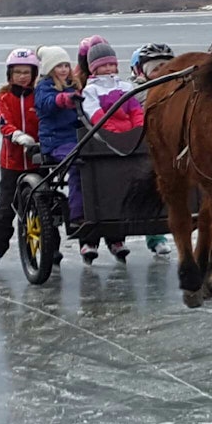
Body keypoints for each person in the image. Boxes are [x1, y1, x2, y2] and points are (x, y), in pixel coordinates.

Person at [33, 45, 99, 262]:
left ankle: (98, 211)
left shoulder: (74, 85)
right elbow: (46, 103)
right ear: (49, 69)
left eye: (64, 65)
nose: (62, 69)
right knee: (77, 164)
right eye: (58, 66)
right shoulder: (44, 86)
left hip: (76, 137)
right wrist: (63, 100)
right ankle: (77, 215)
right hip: (55, 141)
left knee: (98, 161)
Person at [77, 40, 135, 262]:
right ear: (93, 68)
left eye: (112, 65)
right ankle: (89, 240)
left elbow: (136, 108)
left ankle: (116, 239)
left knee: (119, 191)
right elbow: (93, 113)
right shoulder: (90, 90)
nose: (109, 69)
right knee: (95, 190)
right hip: (99, 141)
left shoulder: (126, 87)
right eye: (104, 66)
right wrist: (109, 130)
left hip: (127, 141)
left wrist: (134, 129)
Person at [0, 48, 41, 267]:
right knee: (6, 207)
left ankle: (48, 249)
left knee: (41, 208)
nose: (22, 76)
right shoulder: (4, 97)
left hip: (38, 159)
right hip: (12, 162)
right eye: (17, 72)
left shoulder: (39, 96)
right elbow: (3, 123)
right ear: (10, 74)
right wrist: (17, 135)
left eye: (26, 72)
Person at [131, 43, 177, 256]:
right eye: (155, 68)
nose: (162, 72)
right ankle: (155, 236)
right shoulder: (137, 91)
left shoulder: (179, 88)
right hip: (140, 145)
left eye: (167, 66)